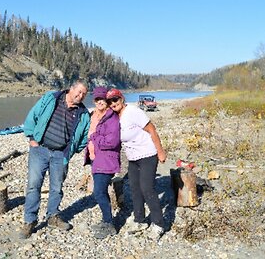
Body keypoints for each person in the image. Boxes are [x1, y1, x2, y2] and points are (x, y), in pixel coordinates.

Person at [19, 80, 91, 239]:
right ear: (70, 89)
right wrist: (32, 138)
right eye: (78, 92)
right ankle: (30, 221)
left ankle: (52, 216)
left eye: (83, 94)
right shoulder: (51, 98)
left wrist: (70, 152)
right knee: (33, 185)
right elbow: (33, 115)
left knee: (56, 188)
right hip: (40, 149)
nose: (80, 96)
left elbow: (84, 138)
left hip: (61, 155)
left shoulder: (83, 114)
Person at [106, 88, 167, 241]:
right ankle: (140, 220)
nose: (113, 103)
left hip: (148, 154)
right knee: (134, 189)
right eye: (110, 101)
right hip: (133, 158)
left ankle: (158, 224)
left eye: (115, 99)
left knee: (147, 188)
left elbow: (151, 129)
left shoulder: (132, 111)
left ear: (122, 98)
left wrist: (160, 151)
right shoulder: (114, 117)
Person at [83, 86, 121, 239]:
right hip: (95, 159)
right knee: (101, 191)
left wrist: (94, 138)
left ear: (107, 101)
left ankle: (110, 224)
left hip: (106, 160)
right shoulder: (93, 115)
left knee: (98, 192)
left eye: (103, 99)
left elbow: (112, 142)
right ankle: (106, 220)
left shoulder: (112, 118)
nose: (100, 102)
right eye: (97, 99)